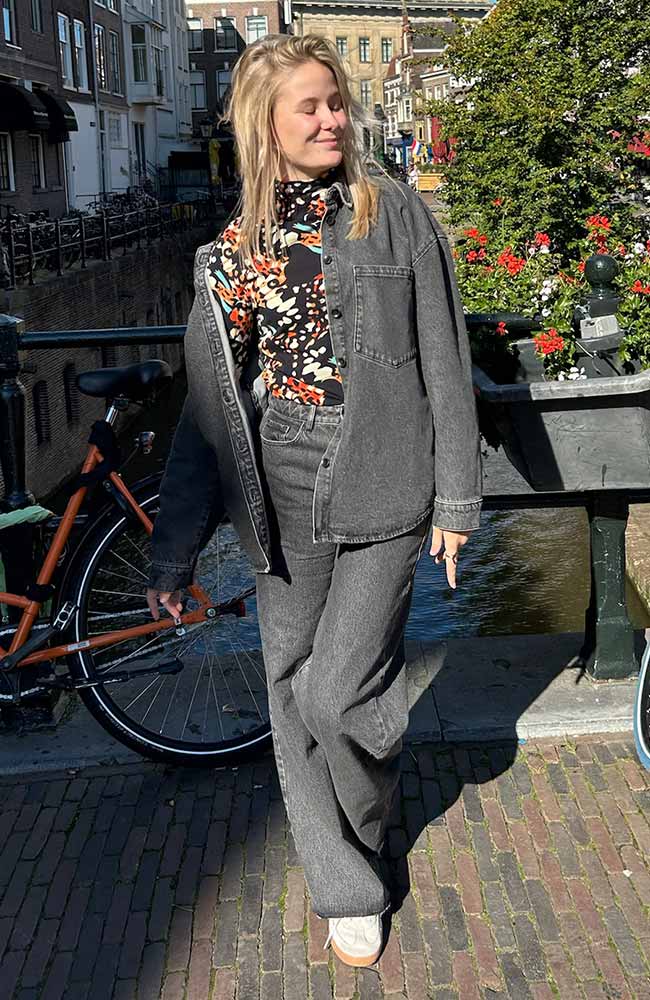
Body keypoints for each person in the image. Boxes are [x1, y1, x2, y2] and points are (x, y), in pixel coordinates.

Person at [146, 34, 481, 967]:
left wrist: (457, 502)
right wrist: (173, 553)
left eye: (337, 101)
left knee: (338, 697)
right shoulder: (230, 256)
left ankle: (363, 832)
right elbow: (205, 417)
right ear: (267, 123)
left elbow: (447, 359)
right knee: (290, 694)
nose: (334, 118)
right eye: (312, 105)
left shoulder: (393, 211)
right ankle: (345, 887)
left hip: (387, 472)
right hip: (280, 484)